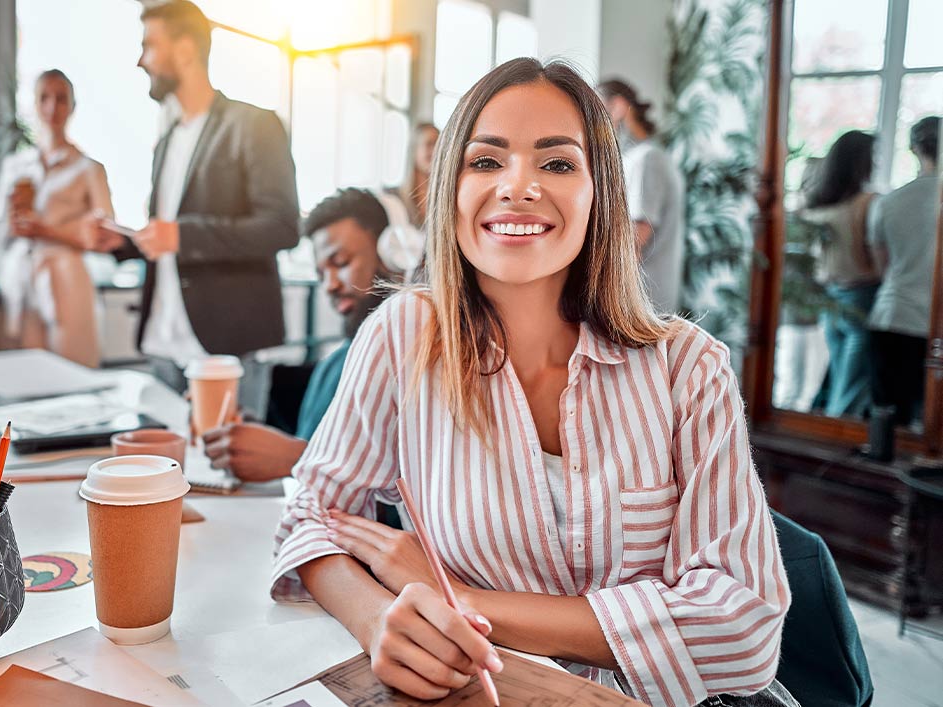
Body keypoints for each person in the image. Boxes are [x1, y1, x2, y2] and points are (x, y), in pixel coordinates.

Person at [271, 59, 793, 707]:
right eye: (485, 162)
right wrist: (374, 616)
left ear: (599, 192)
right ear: (449, 191)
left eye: (556, 164)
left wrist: (458, 600)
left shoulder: (689, 367)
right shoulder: (405, 333)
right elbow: (311, 513)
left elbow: (741, 629)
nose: (516, 186)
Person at [102, 0, 299, 416]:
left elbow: (281, 226)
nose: (141, 61)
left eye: (149, 46)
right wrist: (123, 243)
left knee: (229, 479)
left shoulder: (254, 125)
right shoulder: (167, 140)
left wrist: (181, 234)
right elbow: (167, 241)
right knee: (159, 475)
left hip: (227, 347)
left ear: (186, 50)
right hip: (160, 344)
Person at [202, 188, 396, 482]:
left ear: (390, 253)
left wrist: (298, 458)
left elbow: (414, 494)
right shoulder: (334, 364)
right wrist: (255, 443)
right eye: (320, 274)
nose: (329, 285)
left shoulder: (415, 363)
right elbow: (310, 447)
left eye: (341, 263)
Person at [0, 69, 119, 368]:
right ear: (34, 105)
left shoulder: (89, 169)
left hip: (68, 278)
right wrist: (15, 223)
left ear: (72, 106)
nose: (53, 108)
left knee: (73, 370)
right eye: (44, 98)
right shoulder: (15, 167)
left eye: (61, 99)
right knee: (26, 374)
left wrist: (47, 231)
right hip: (23, 280)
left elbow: (107, 236)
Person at [867, 116, 940, 426]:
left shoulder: (889, 202)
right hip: (932, 323)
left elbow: (881, 266)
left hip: (892, 314)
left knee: (888, 422)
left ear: (914, 148)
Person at [802, 130, 880, 419]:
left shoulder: (819, 204)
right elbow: (873, 255)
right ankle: (836, 443)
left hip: (830, 297)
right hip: (860, 296)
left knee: (840, 377)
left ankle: (831, 435)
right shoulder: (868, 202)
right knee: (850, 386)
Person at [597, 79, 685, 314]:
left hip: (642, 303)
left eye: (597, 112)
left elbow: (635, 238)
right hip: (640, 301)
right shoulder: (640, 158)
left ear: (617, 107)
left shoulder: (647, 159)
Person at [375, 123, 439, 279]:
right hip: (396, 283)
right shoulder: (391, 197)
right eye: (429, 144)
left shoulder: (444, 199)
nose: (436, 150)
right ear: (414, 149)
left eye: (440, 144)